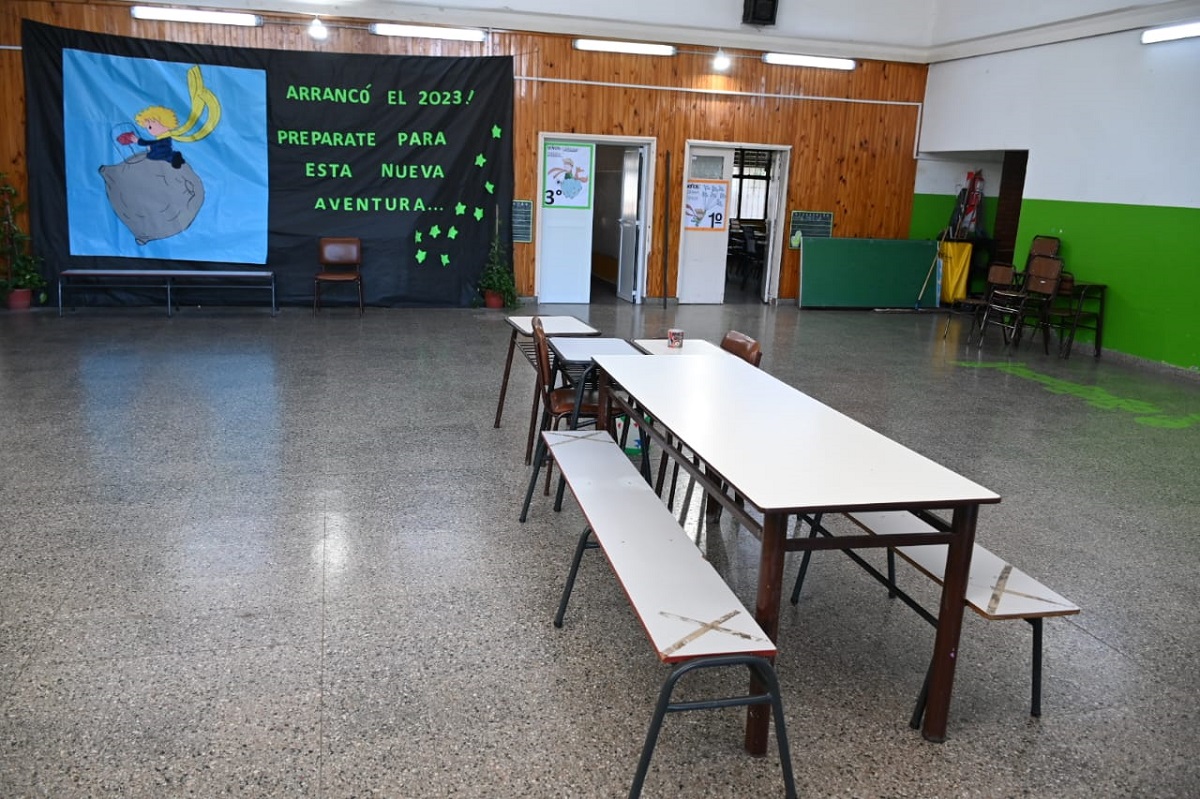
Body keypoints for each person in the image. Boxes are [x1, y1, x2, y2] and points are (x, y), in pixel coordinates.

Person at [117, 105, 185, 169]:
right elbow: (155, 145)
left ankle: (176, 159)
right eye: (148, 128)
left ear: (166, 124)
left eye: (150, 127)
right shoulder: (164, 138)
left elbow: (155, 144)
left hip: (161, 155)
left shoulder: (165, 139)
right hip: (162, 155)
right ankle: (175, 159)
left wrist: (139, 141)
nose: (150, 131)